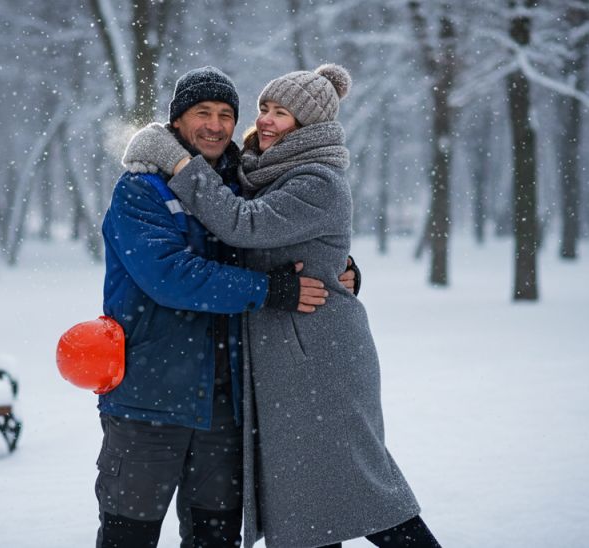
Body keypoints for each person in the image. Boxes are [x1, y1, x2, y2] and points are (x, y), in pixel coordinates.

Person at [123, 65, 439, 547]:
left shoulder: (315, 179)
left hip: (317, 360)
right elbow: (252, 239)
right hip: (276, 365)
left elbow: (244, 227)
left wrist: (181, 164)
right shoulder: (258, 172)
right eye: (264, 109)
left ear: (308, 126)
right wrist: (330, 264)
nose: (266, 121)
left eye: (283, 113)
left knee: (361, 491)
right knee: (309, 510)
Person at [98, 66, 359, 548]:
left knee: (215, 538)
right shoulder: (141, 190)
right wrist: (270, 290)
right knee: (127, 536)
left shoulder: (244, 187)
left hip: (228, 406)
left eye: (225, 114)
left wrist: (337, 267)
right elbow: (170, 278)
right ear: (177, 123)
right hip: (150, 399)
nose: (215, 125)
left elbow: (278, 233)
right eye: (202, 113)